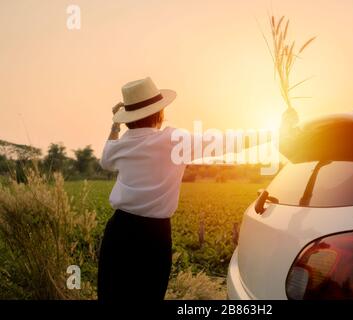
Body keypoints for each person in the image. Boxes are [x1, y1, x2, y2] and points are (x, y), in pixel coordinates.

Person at [97, 76, 269, 301]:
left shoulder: (122, 144)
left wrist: (115, 125)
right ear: (159, 113)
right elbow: (225, 142)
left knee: (111, 295)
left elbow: (105, 161)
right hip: (154, 235)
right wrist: (270, 134)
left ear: (128, 118)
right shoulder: (173, 141)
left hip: (118, 230)